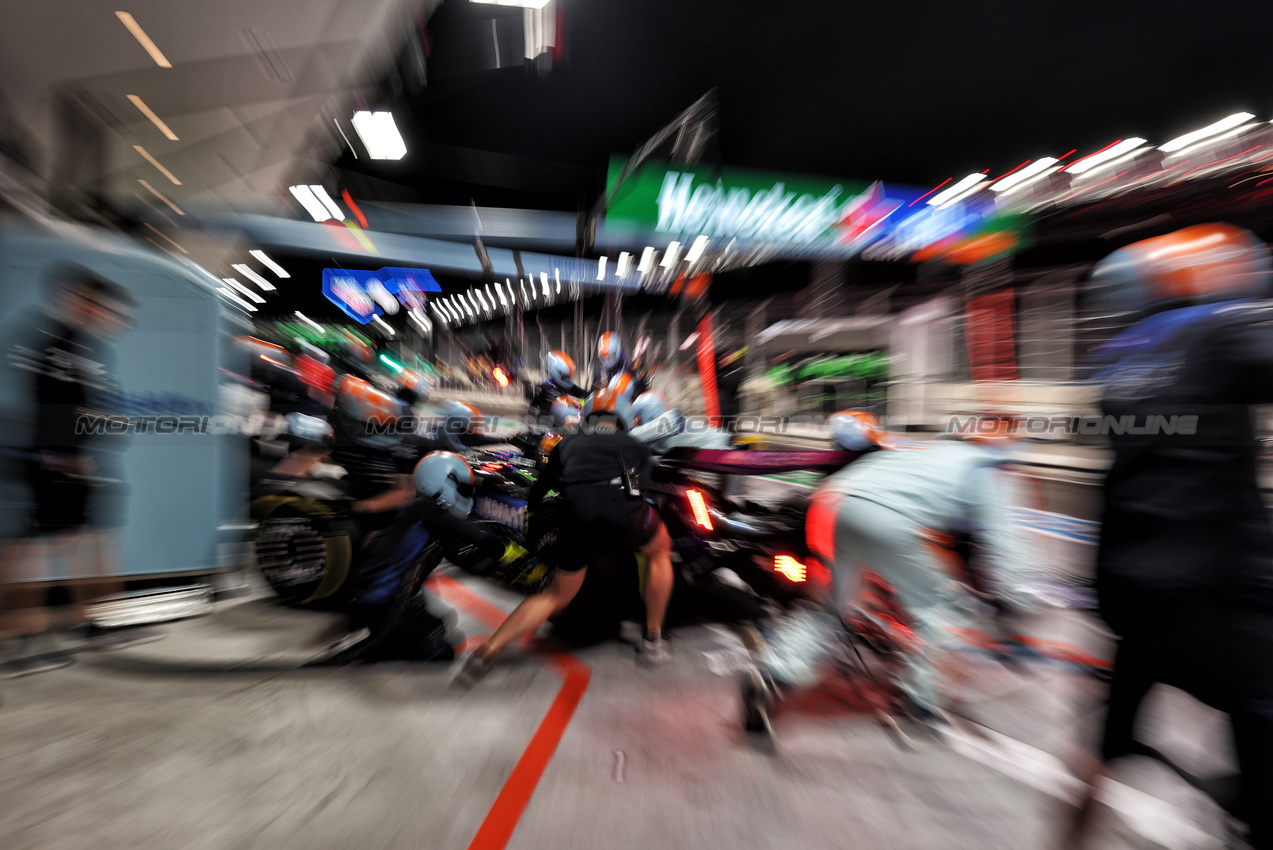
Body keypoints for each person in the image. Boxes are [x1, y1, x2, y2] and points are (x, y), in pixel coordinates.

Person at [1063, 224, 1273, 850]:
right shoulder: (1220, 329)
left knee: (1105, 743)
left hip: (1131, 593)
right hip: (1221, 590)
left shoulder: (1114, 363)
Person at [742, 411, 1043, 734]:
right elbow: (1002, 536)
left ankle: (773, 673)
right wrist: (1011, 597)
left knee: (828, 607)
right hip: (882, 515)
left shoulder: (933, 449)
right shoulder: (986, 466)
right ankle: (919, 705)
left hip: (831, 503)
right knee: (940, 610)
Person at [453, 385, 675, 687]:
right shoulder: (636, 446)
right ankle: (652, 638)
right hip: (622, 515)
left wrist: (532, 525)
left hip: (577, 516)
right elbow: (639, 491)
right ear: (624, 415)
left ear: (587, 416)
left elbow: (539, 491)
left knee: (556, 594)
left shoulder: (568, 444)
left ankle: (485, 654)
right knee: (661, 549)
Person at [0, 264, 146, 676]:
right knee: (32, 548)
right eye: (106, 309)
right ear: (80, 301)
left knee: (94, 541)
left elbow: (96, 406)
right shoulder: (46, 343)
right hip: (48, 461)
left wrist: (103, 422)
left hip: (77, 462)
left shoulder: (87, 348)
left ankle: (92, 621)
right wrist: (64, 446)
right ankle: (13, 635)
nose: (113, 319)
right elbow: (49, 407)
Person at [316, 450, 531, 663]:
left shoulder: (435, 523)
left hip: (399, 600)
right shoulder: (421, 508)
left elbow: (471, 563)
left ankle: (386, 636)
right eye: (463, 488)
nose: (468, 496)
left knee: (442, 628)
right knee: (440, 651)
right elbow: (479, 537)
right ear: (436, 484)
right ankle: (376, 641)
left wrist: (508, 567)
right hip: (381, 602)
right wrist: (505, 548)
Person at [528, 350, 587, 426]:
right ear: (555, 372)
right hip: (547, 428)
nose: (567, 379)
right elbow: (533, 408)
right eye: (565, 376)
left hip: (566, 426)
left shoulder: (571, 387)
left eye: (569, 376)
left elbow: (586, 396)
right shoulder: (544, 388)